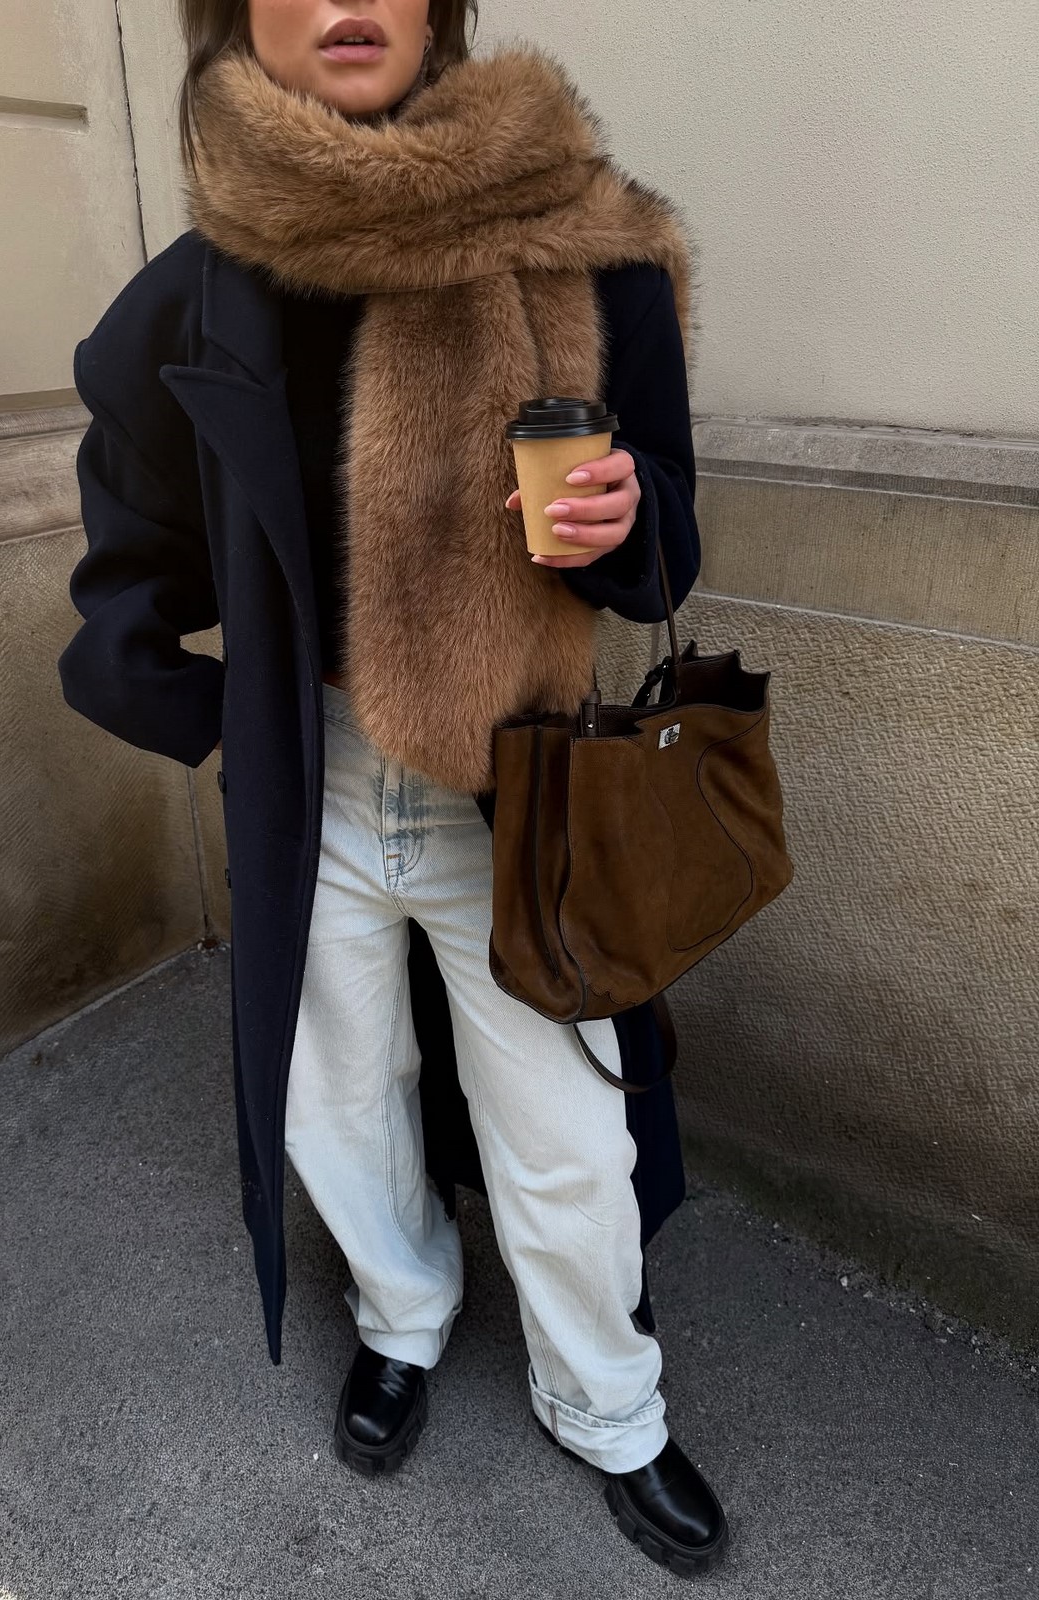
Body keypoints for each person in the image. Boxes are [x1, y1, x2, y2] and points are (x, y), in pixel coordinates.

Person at [57, 0, 728, 1577]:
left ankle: (609, 1404)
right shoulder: (204, 289)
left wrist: (625, 522)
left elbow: (667, 555)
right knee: (340, 1100)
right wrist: (212, 713)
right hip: (318, 783)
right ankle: (403, 1314)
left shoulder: (588, 241)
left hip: (520, 784)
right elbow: (131, 551)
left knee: (569, 1135)